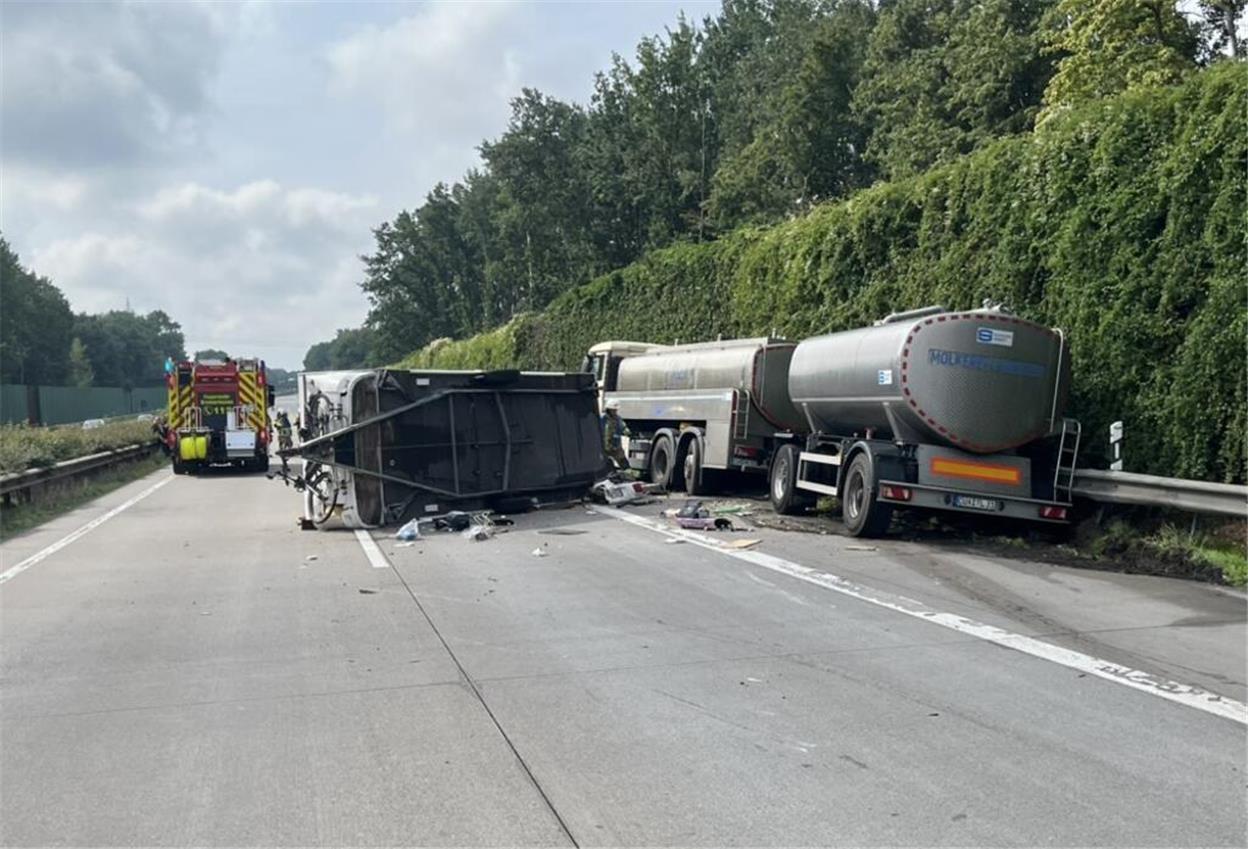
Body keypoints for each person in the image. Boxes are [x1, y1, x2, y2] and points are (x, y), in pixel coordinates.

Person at [601, 400, 630, 471]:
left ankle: (629, 475)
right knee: (604, 465)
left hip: (616, 446)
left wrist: (626, 431)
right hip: (603, 447)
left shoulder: (618, 419)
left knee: (624, 464)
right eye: (613, 410)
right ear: (609, 409)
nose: (615, 412)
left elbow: (623, 427)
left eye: (615, 410)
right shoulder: (602, 419)